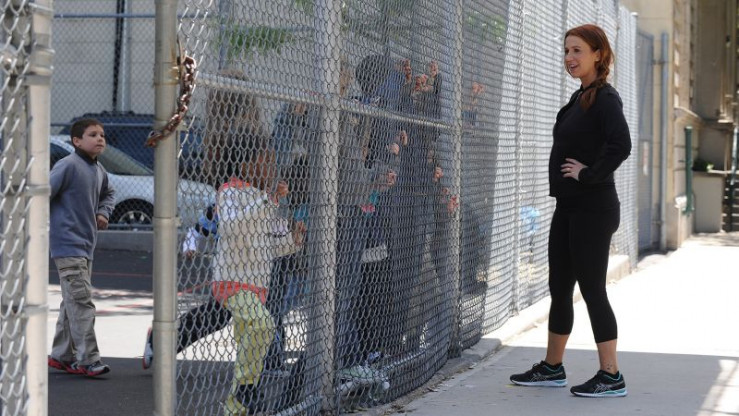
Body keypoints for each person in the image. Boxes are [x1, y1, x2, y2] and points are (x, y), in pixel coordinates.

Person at [509, 24, 631, 398]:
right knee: (560, 287)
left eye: (577, 50)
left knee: (592, 289)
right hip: (570, 207)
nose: (569, 57)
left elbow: (621, 144)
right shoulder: (581, 97)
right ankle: (552, 367)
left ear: (598, 54)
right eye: (566, 51)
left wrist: (588, 174)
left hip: (593, 209)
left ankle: (611, 375)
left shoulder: (605, 98)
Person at [214, 139, 306, 415]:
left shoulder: (264, 199)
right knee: (264, 324)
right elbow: (231, 228)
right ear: (246, 165)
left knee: (249, 348)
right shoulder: (229, 191)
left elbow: (269, 245)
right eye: (267, 162)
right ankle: (246, 386)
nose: (273, 169)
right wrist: (266, 200)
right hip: (232, 280)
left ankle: (237, 406)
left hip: (257, 285)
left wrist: (293, 240)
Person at [47, 118, 116, 377]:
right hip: (68, 246)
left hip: (86, 246)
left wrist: (103, 213)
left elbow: (109, 193)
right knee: (82, 302)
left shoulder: (99, 170)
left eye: (102, 135)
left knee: (72, 301)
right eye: (93, 135)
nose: (100, 139)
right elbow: (45, 192)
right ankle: (88, 360)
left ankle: (61, 355)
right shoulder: (68, 165)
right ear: (77, 141)